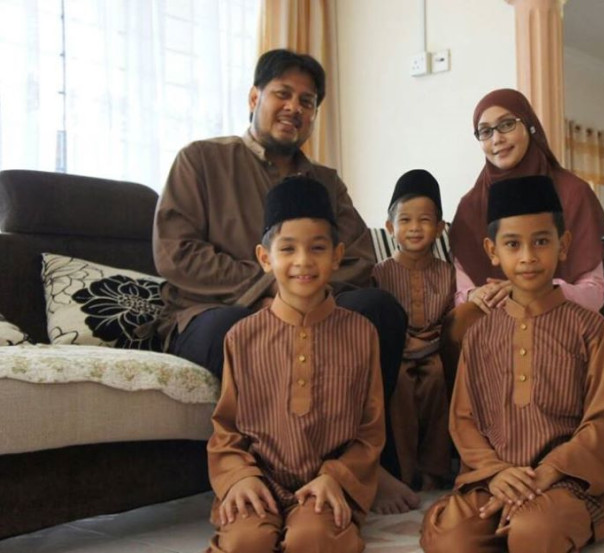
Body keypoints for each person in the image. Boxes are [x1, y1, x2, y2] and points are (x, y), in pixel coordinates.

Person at [152, 48, 415, 513]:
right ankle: (258, 472)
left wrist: (302, 296)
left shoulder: (325, 182)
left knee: (378, 309)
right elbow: (177, 253)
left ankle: (362, 466)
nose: (295, 107)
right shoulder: (201, 160)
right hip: (212, 312)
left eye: (307, 101)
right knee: (232, 328)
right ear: (255, 97)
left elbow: (357, 256)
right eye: (283, 94)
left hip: (312, 310)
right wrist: (274, 292)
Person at [421, 175, 604, 553]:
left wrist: (550, 471)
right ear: (493, 251)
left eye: (542, 242)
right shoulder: (480, 334)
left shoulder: (591, 329)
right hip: (494, 479)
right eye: (513, 244)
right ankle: (508, 510)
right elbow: (464, 420)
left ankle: (559, 515)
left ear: (564, 245)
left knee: (534, 530)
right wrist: (496, 473)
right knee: (450, 538)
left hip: (564, 480)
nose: (528, 257)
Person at [205, 177, 383, 553]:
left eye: (317, 248)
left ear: (337, 256)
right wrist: (239, 476)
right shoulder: (242, 336)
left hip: (327, 484)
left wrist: (337, 477)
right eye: (288, 249)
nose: (303, 261)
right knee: (245, 542)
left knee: (312, 538)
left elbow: (370, 431)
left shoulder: (362, 333)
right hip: (260, 482)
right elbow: (226, 428)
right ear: (265, 258)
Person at [442, 88, 604, 387]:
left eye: (507, 124)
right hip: (495, 319)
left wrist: (532, 290)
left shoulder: (573, 193)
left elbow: (594, 293)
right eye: (485, 131)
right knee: (459, 324)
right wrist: (476, 295)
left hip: (560, 315)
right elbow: (463, 293)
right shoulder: (471, 206)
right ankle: (472, 416)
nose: (497, 139)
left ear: (530, 126)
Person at [371, 169, 453, 503]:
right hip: (399, 353)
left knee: (437, 378)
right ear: (390, 228)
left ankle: (434, 470)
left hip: (434, 350)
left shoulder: (448, 273)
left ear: (440, 227)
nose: (415, 228)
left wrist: (430, 343)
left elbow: (450, 319)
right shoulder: (379, 273)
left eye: (424, 220)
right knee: (401, 385)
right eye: (405, 220)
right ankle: (403, 473)